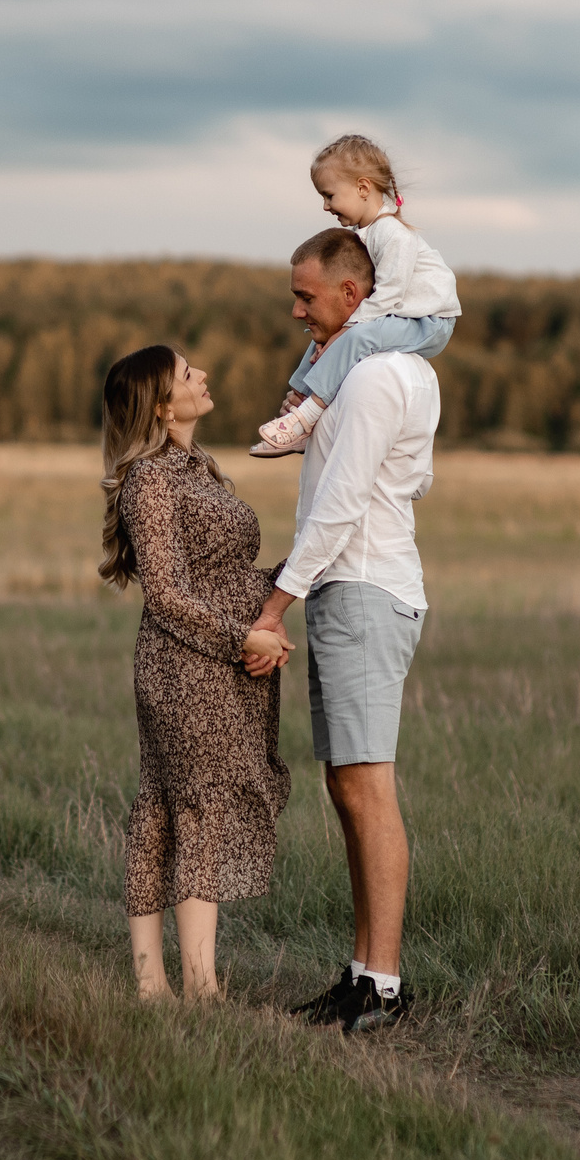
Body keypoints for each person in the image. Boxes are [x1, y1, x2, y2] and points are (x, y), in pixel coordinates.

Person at [249, 230, 440, 1034]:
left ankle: (384, 988)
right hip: (350, 585)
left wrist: (272, 606)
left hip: (361, 588)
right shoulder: (368, 375)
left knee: (367, 786)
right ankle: (363, 973)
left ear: (354, 296)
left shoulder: (377, 379)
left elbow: (342, 504)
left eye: (305, 296)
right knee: (346, 785)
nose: (295, 310)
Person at [99, 344, 295, 1002]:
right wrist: (244, 633)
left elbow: (224, 574)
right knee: (191, 807)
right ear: (160, 404)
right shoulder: (152, 478)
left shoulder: (199, 469)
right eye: (187, 373)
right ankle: (197, 987)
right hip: (185, 666)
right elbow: (167, 593)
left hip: (219, 665)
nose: (204, 374)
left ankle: (154, 987)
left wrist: (287, 586)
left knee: (170, 806)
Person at [250, 134, 459, 458]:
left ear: (363, 188)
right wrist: (337, 336)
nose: (325, 205)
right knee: (325, 337)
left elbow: (388, 295)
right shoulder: (365, 233)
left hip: (429, 321)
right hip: (401, 316)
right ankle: (297, 402)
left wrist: (346, 332)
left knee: (356, 336)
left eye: (330, 195)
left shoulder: (392, 233)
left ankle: (306, 419)